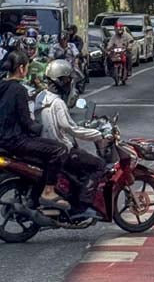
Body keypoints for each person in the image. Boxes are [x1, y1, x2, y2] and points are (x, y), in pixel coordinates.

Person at [0, 51, 70, 209]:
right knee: (59, 149)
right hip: (16, 140)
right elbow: (26, 121)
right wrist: (40, 127)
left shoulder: (0, 86)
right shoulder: (19, 90)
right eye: (27, 67)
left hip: (1, 138)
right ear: (21, 68)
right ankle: (48, 192)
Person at [36, 60, 106, 210]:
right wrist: (97, 134)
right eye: (67, 80)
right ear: (60, 81)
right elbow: (71, 129)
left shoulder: (40, 97)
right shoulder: (57, 103)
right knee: (99, 165)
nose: (69, 83)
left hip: (43, 147)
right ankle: (84, 205)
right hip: (61, 149)